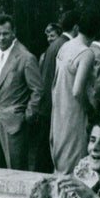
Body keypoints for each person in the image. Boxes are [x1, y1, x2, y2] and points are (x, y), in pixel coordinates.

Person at [0, 14, 42, 171]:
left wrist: (26, 116)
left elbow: (37, 90)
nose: (1, 38)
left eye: (5, 33)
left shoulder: (26, 58)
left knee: (16, 172)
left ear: (13, 32)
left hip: (15, 124)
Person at [51, 12, 97, 174]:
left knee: (61, 160)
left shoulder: (65, 46)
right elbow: (77, 91)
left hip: (59, 111)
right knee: (74, 164)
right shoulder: (86, 53)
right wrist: (91, 111)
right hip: (75, 113)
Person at [34, 10, 79, 173]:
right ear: (76, 27)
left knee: (44, 152)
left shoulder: (55, 44)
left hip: (47, 105)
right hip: (54, 106)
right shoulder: (65, 45)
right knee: (47, 154)